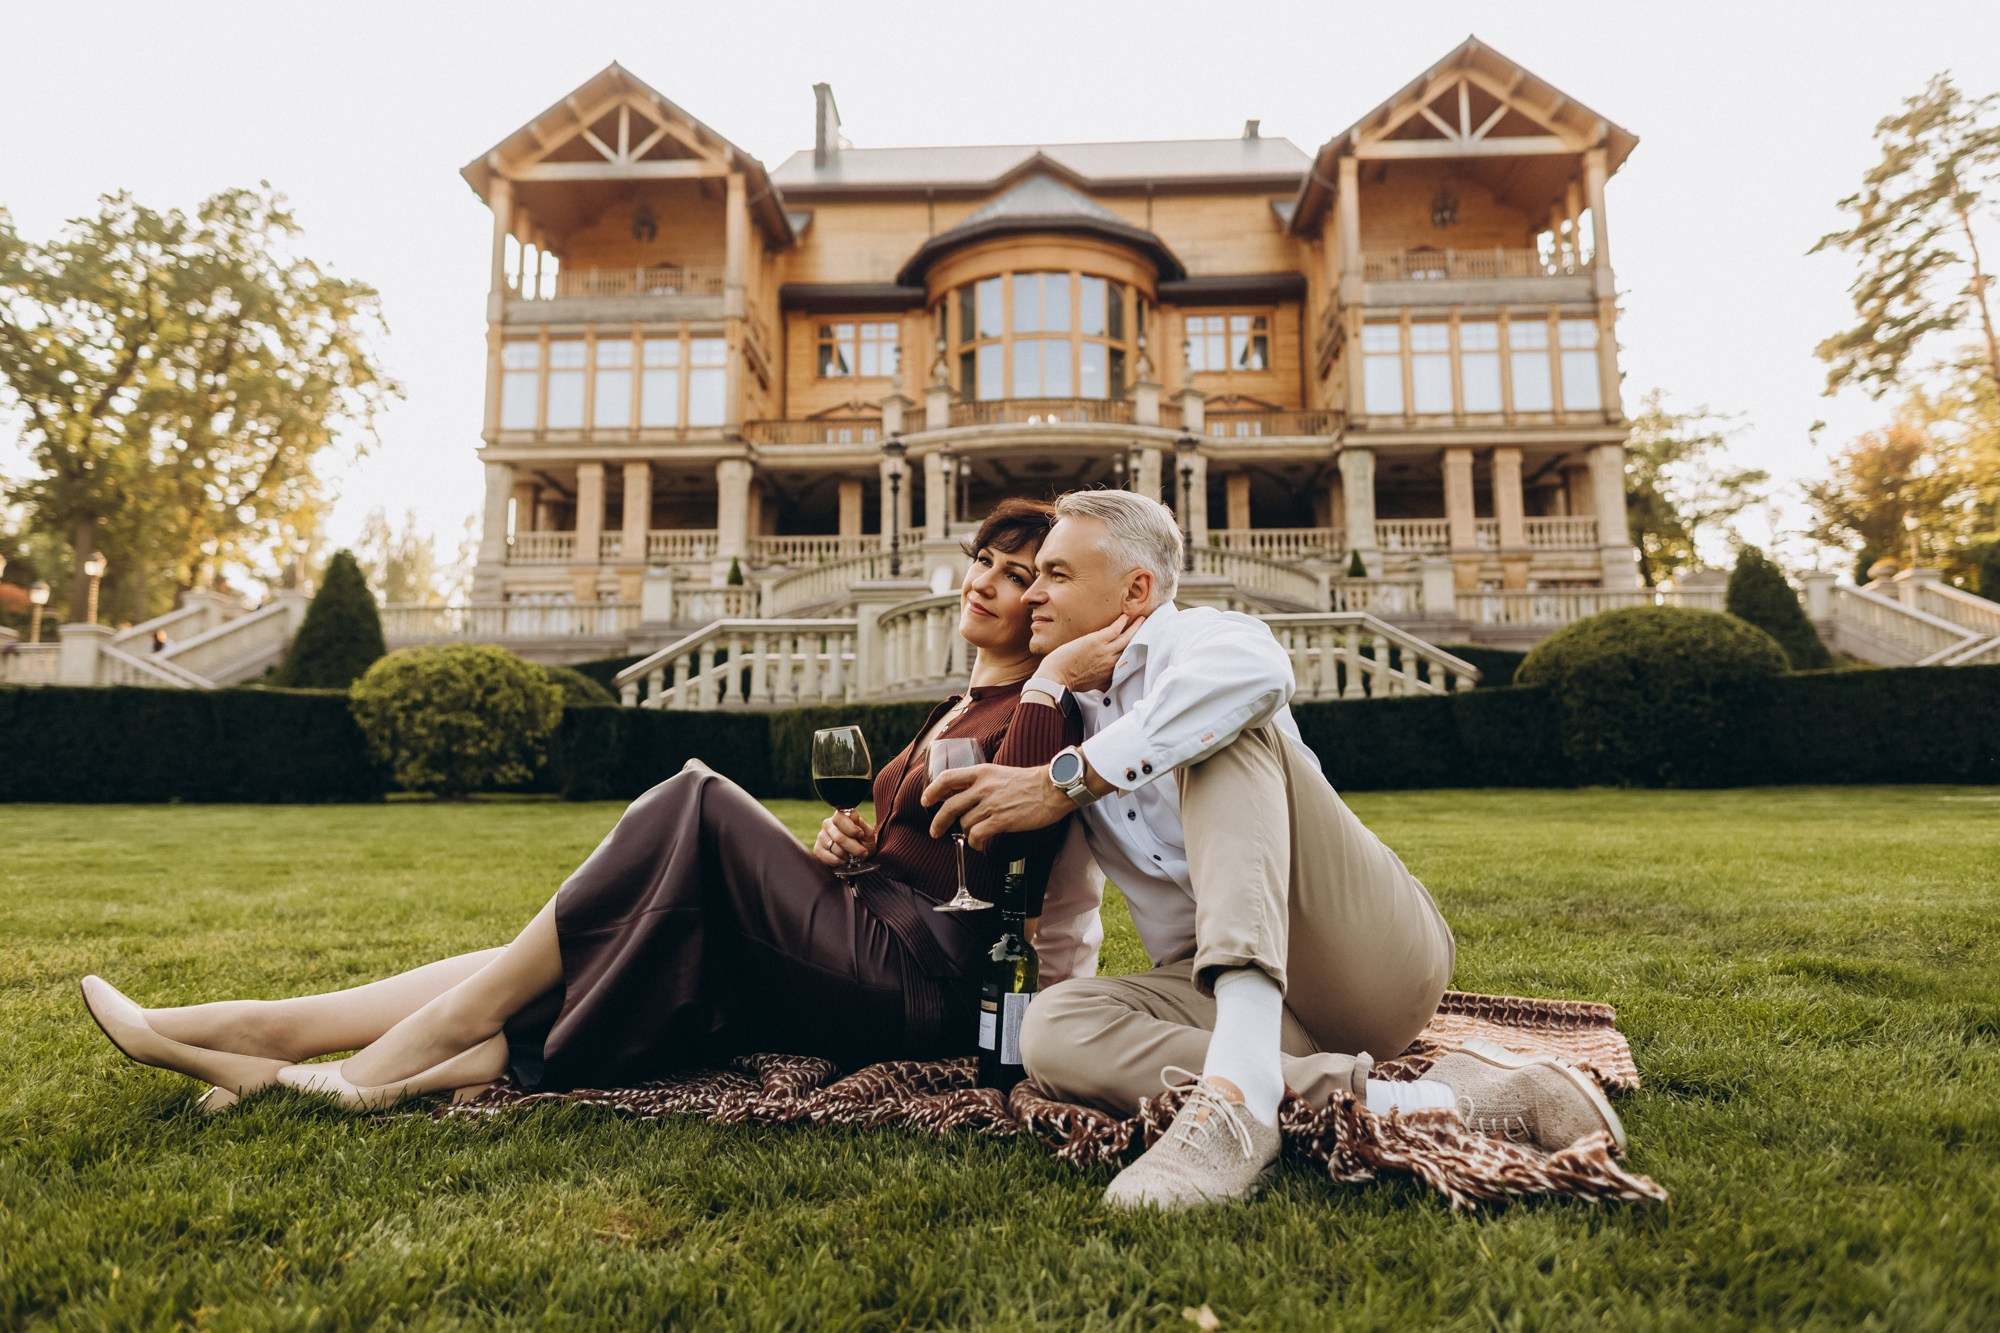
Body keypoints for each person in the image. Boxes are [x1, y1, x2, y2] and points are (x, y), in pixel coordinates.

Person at [81, 500, 1092, 1112]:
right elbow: (925, 849)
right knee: (563, 960)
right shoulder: (962, 703)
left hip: (928, 986)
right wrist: (854, 845)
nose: (995, 586)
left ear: (1052, 600)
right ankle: (268, 1036)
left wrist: (1054, 679)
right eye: (988, 562)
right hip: (872, 934)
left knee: (692, 797)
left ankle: (389, 1051)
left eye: (1026, 576)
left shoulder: (1041, 707)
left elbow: (1005, 861)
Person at [924, 489, 1626, 1210]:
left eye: (1056, 574)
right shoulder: (1070, 712)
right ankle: (1415, 1097)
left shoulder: (1200, 642)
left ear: (1136, 589)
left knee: (1226, 730)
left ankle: (1233, 1107)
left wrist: (1065, 780)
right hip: (1214, 992)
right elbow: (1066, 905)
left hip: (1363, 963)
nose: (1031, 592)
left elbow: (1256, 679)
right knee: (1052, 1028)